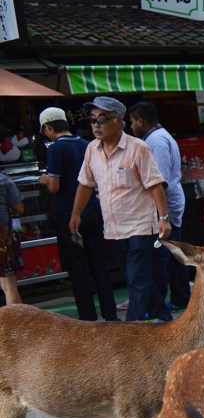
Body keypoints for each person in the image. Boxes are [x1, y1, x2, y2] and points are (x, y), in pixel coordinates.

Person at [70, 96, 171, 324]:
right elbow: (85, 184)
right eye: (93, 119)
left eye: (102, 119)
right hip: (113, 229)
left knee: (136, 280)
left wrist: (163, 218)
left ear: (118, 120)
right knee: (137, 278)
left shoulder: (138, 148)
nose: (96, 125)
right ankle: (163, 317)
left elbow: (155, 185)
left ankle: (130, 330)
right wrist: (75, 214)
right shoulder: (91, 150)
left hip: (140, 226)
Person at [38, 107, 117, 321]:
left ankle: (87, 319)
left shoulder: (56, 149)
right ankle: (110, 314)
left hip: (68, 215)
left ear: (48, 127)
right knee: (99, 265)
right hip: (92, 211)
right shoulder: (86, 144)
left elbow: (54, 186)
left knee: (78, 269)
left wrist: (44, 179)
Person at [129, 101, 187, 316]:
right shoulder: (157, 137)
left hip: (165, 206)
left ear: (140, 121)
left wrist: (161, 214)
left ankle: (159, 307)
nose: (131, 128)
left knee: (160, 259)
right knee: (172, 255)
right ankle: (179, 297)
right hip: (167, 204)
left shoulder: (156, 141)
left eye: (132, 122)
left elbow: (159, 181)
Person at [0, 170, 24, 305]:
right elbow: (20, 209)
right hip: (3, 238)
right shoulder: (3, 180)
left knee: (5, 285)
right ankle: (16, 318)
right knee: (10, 287)